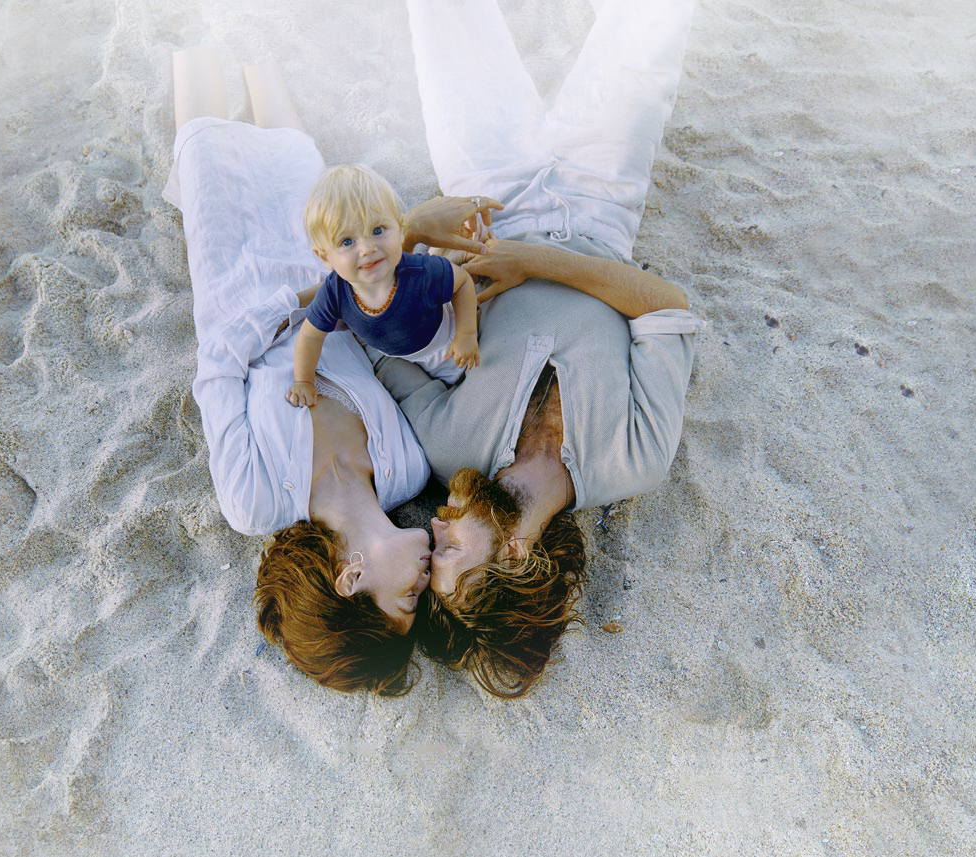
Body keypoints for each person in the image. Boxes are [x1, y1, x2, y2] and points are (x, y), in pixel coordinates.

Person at [382, 0, 704, 697]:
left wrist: (416, 245)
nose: (433, 525)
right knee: (655, 22)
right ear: (518, 556)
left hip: (483, 194)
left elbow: (379, 339)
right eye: (450, 551)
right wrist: (535, 262)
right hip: (602, 198)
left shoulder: (447, 448)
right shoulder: (633, 461)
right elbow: (665, 308)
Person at [165, 51, 465, 694]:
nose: (424, 586)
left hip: (241, 283)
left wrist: (302, 298)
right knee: (293, 145)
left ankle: (198, 42)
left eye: (407, 601)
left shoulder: (257, 502)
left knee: (202, 143)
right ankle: (261, 46)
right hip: (329, 268)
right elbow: (385, 342)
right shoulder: (407, 468)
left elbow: (216, 368)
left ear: (351, 579)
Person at [289, 164, 479, 408]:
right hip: (399, 357)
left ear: (400, 231)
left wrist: (466, 334)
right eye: (347, 241)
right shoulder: (334, 292)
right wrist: (303, 381)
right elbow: (310, 336)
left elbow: (462, 283)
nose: (367, 248)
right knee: (411, 398)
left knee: (471, 370)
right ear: (325, 257)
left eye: (377, 230)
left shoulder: (419, 272)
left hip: (446, 340)